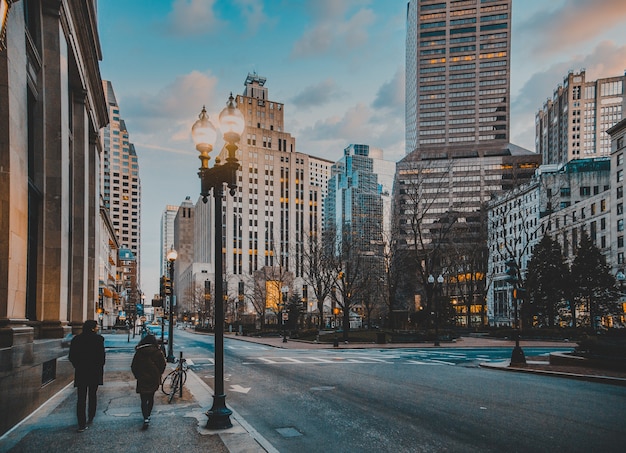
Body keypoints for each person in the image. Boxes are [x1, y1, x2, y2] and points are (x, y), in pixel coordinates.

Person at [68, 319, 106, 432]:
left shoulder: (77, 339)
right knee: (92, 395)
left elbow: (72, 356)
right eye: (96, 326)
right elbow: (101, 357)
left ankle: (81, 424)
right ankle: (91, 416)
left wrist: (78, 366)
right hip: (94, 371)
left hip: (82, 371)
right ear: (92, 328)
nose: (98, 328)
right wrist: (98, 366)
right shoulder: (98, 339)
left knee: (81, 398)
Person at [131, 334, 166, 429]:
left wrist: (137, 375)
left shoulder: (139, 352)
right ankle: (148, 415)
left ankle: (145, 417)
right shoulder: (158, 352)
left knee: (143, 399)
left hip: (142, 378)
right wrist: (158, 373)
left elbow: (134, 366)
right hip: (153, 378)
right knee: (151, 397)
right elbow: (163, 365)